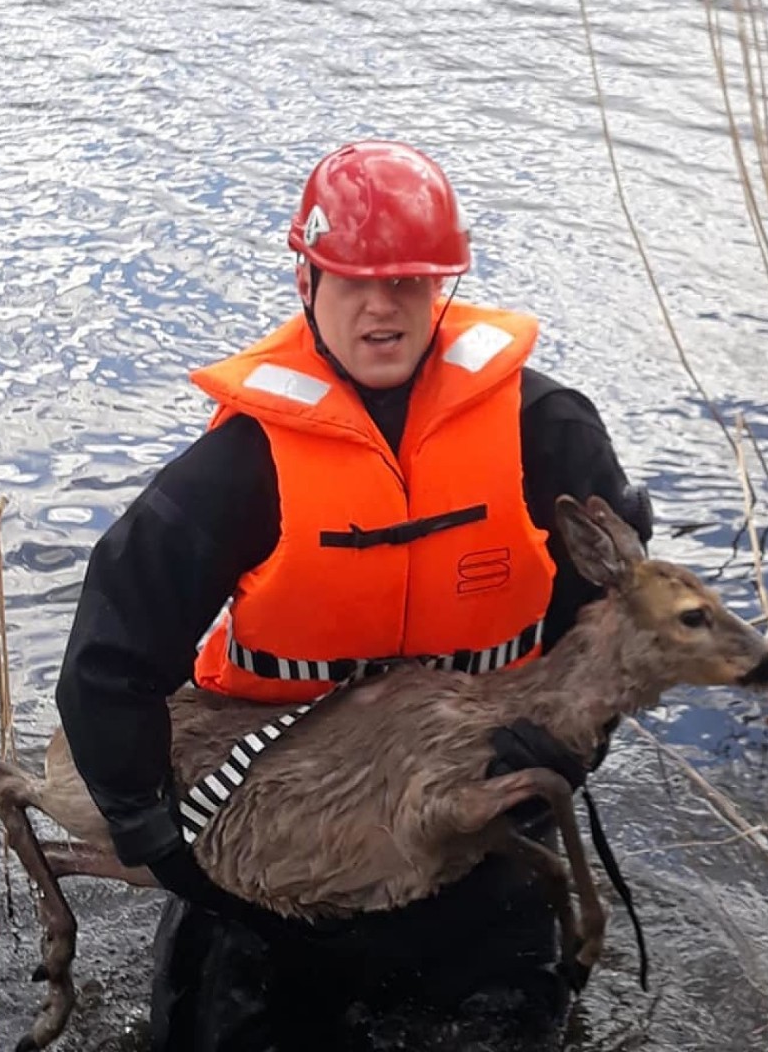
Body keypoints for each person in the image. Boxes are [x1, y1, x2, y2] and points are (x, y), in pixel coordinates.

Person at [56, 139, 652, 1051]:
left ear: (443, 285)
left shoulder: (545, 431)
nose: (383, 306)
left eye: (411, 281)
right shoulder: (242, 466)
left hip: (477, 826)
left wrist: (567, 754)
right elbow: (110, 660)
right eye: (353, 279)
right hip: (273, 853)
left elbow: (624, 621)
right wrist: (163, 845)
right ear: (307, 277)